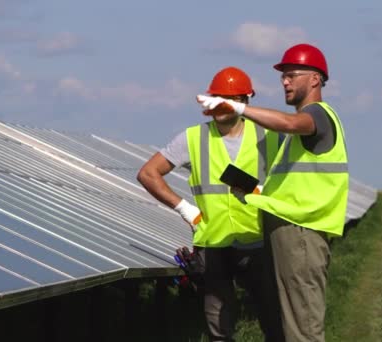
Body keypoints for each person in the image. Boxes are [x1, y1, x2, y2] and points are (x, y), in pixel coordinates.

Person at [197, 43, 349, 342]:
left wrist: (237, 108)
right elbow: (295, 186)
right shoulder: (307, 127)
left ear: (315, 79)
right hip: (292, 232)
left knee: (302, 327)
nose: (285, 81)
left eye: (292, 75)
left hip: (301, 233)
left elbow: (291, 123)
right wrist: (254, 192)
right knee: (292, 322)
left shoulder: (316, 115)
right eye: (283, 76)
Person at [137, 66, 280, 341]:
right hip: (212, 244)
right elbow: (147, 173)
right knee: (218, 328)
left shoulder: (270, 137)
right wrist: (185, 209)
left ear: (245, 101)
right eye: (217, 99)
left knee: (274, 319)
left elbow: (292, 184)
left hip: (259, 240)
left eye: (229, 99)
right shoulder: (193, 138)